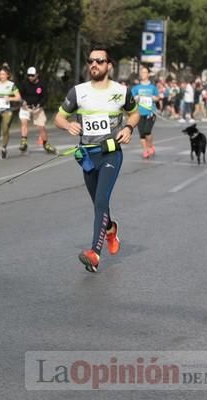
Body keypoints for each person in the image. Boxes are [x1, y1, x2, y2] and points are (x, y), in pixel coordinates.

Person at [54, 45, 139, 273]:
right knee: (98, 205)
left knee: (101, 200)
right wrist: (68, 124)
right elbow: (58, 118)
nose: (94, 64)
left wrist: (129, 127)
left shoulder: (121, 91)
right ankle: (110, 229)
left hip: (111, 154)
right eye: (91, 61)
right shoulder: (78, 92)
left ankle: (95, 253)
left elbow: (134, 112)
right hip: (87, 157)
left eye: (99, 61)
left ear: (109, 66)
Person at [18, 66, 56, 154]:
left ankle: (46, 144)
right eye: (29, 75)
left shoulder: (42, 84)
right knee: (24, 122)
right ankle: (24, 141)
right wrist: (22, 102)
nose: (30, 77)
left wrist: (39, 105)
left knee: (41, 127)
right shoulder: (24, 83)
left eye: (32, 75)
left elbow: (45, 96)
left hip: (37, 108)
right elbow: (20, 94)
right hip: (26, 107)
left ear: (37, 75)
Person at [0, 65, 21, 159]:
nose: (2, 76)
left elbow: (18, 97)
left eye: (3, 74)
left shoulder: (11, 85)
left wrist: (10, 98)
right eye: (0, 74)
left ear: (8, 75)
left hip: (7, 110)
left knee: (5, 129)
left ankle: (4, 148)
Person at [131, 65, 159, 158]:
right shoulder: (136, 88)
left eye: (145, 72)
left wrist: (152, 97)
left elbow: (157, 98)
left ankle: (150, 146)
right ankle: (145, 150)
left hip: (150, 112)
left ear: (148, 74)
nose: (143, 74)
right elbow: (131, 99)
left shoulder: (152, 87)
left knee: (147, 131)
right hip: (139, 112)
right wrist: (136, 98)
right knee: (142, 133)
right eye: (141, 72)